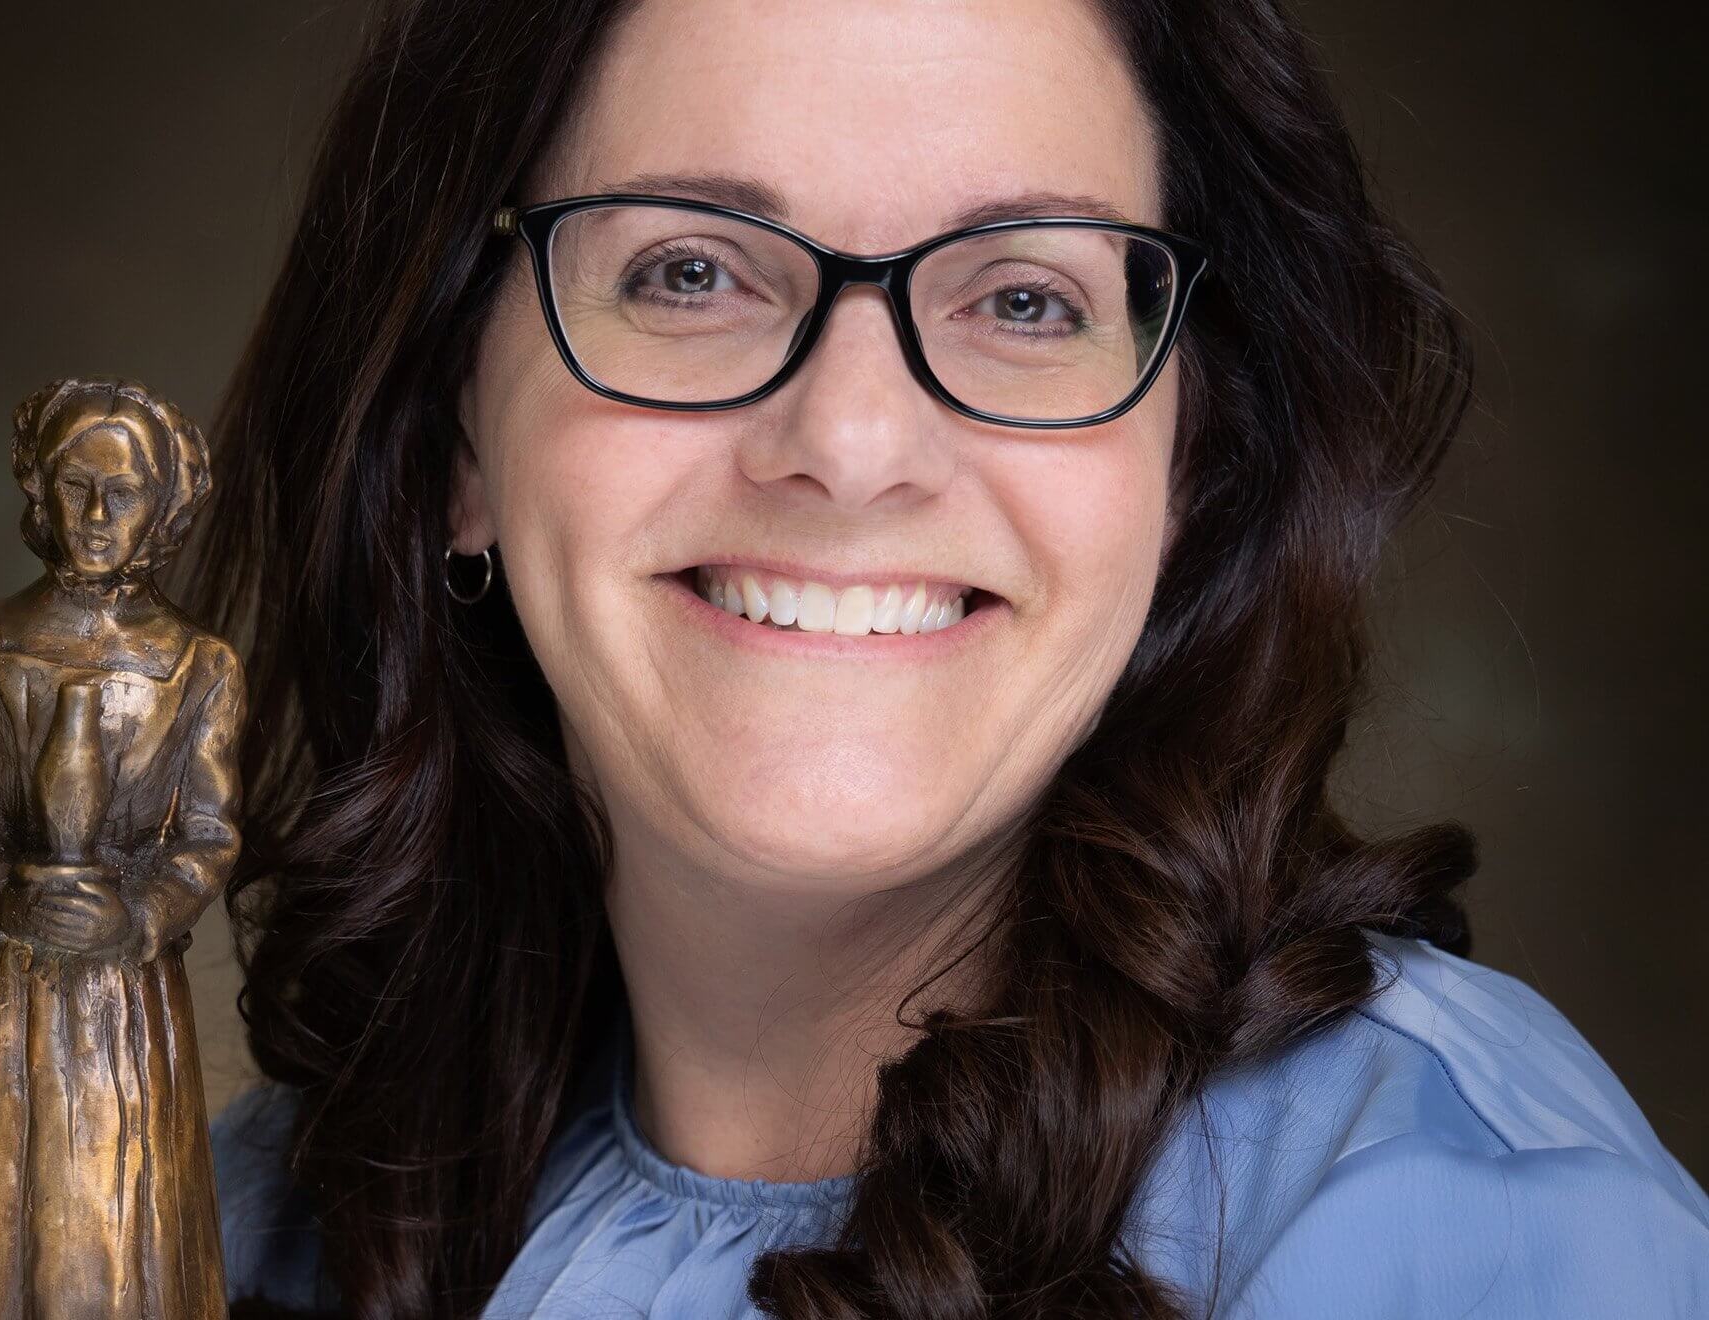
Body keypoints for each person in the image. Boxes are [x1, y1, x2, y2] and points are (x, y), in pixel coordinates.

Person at [184, 1, 1709, 1315]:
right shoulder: (254, 1219)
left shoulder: (1467, 1234)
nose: (850, 444)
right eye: (691, 273)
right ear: (461, 427)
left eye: (1025, 299)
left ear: (1190, 462)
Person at [0, 379, 240, 1318]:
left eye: (125, 491)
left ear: (166, 506)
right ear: (41, 492)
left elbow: (207, 833)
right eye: (78, 486)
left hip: (127, 992)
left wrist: (139, 912)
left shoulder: (201, 668)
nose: (100, 513)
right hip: (6, 992)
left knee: (119, 1207)